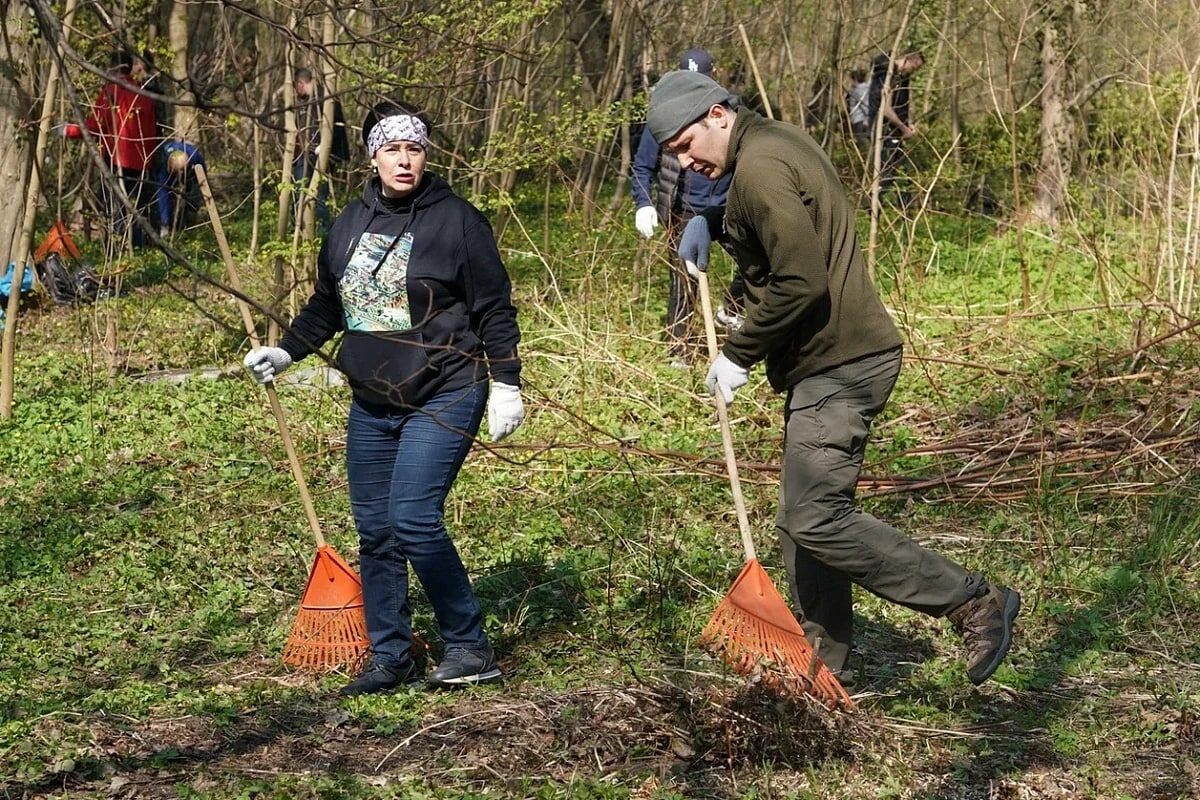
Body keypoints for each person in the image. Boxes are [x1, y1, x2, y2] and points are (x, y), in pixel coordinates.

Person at [646, 70, 1020, 686]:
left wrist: (738, 352)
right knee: (800, 520)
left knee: (816, 516)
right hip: (833, 358)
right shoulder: (777, 143)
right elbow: (786, 240)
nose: (687, 165)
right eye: (675, 157)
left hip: (840, 363)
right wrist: (713, 227)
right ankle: (827, 669)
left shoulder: (760, 169)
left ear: (717, 115)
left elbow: (801, 280)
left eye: (687, 146)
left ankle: (970, 601)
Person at [243, 100, 525, 695]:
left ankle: (469, 645)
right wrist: (287, 351)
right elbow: (328, 303)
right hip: (374, 397)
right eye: (392, 149)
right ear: (372, 156)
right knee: (376, 530)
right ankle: (391, 655)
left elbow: (494, 307)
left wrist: (506, 383)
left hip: (446, 387)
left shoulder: (457, 222)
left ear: (426, 155)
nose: (404, 159)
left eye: (414, 148)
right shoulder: (348, 222)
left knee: (414, 519)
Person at [631, 48, 743, 366]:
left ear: (713, 75)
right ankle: (680, 349)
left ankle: (730, 311)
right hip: (685, 211)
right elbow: (642, 166)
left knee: (757, 264)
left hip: (729, 206)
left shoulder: (728, 112)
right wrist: (644, 204)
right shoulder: (665, 116)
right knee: (683, 280)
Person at [80, 52, 160, 250]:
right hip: (143, 160)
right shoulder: (144, 93)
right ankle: (139, 245)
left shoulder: (112, 91)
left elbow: (96, 124)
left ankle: (117, 246)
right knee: (137, 204)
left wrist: (70, 129)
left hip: (116, 158)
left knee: (115, 205)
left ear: (114, 68)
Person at [291, 67, 349, 231]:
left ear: (300, 83)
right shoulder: (300, 102)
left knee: (319, 197)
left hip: (322, 156)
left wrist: (326, 148)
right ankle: (298, 230)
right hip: (302, 156)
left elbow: (337, 128)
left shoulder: (326, 99)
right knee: (298, 192)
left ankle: (324, 233)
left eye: (296, 86)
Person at [868, 50, 924, 204]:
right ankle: (871, 204)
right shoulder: (887, 75)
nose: (912, 72)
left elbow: (903, 105)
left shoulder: (902, 78)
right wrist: (903, 128)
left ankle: (904, 210)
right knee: (890, 171)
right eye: (913, 68)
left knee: (902, 171)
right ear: (907, 60)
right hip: (885, 131)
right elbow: (886, 109)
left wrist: (908, 124)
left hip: (894, 131)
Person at [154, 140, 205, 236]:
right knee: (167, 199)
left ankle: (189, 225)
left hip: (192, 172)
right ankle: (170, 223)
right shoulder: (163, 166)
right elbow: (162, 194)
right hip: (169, 172)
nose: (181, 174)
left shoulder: (194, 156)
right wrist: (164, 223)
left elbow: (202, 175)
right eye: (179, 171)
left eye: (182, 171)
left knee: (193, 196)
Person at [846, 68, 871, 150]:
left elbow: (865, 106)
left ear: (855, 79)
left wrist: (866, 119)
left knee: (863, 143)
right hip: (860, 120)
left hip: (860, 120)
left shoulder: (859, 91)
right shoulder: (867, 88)